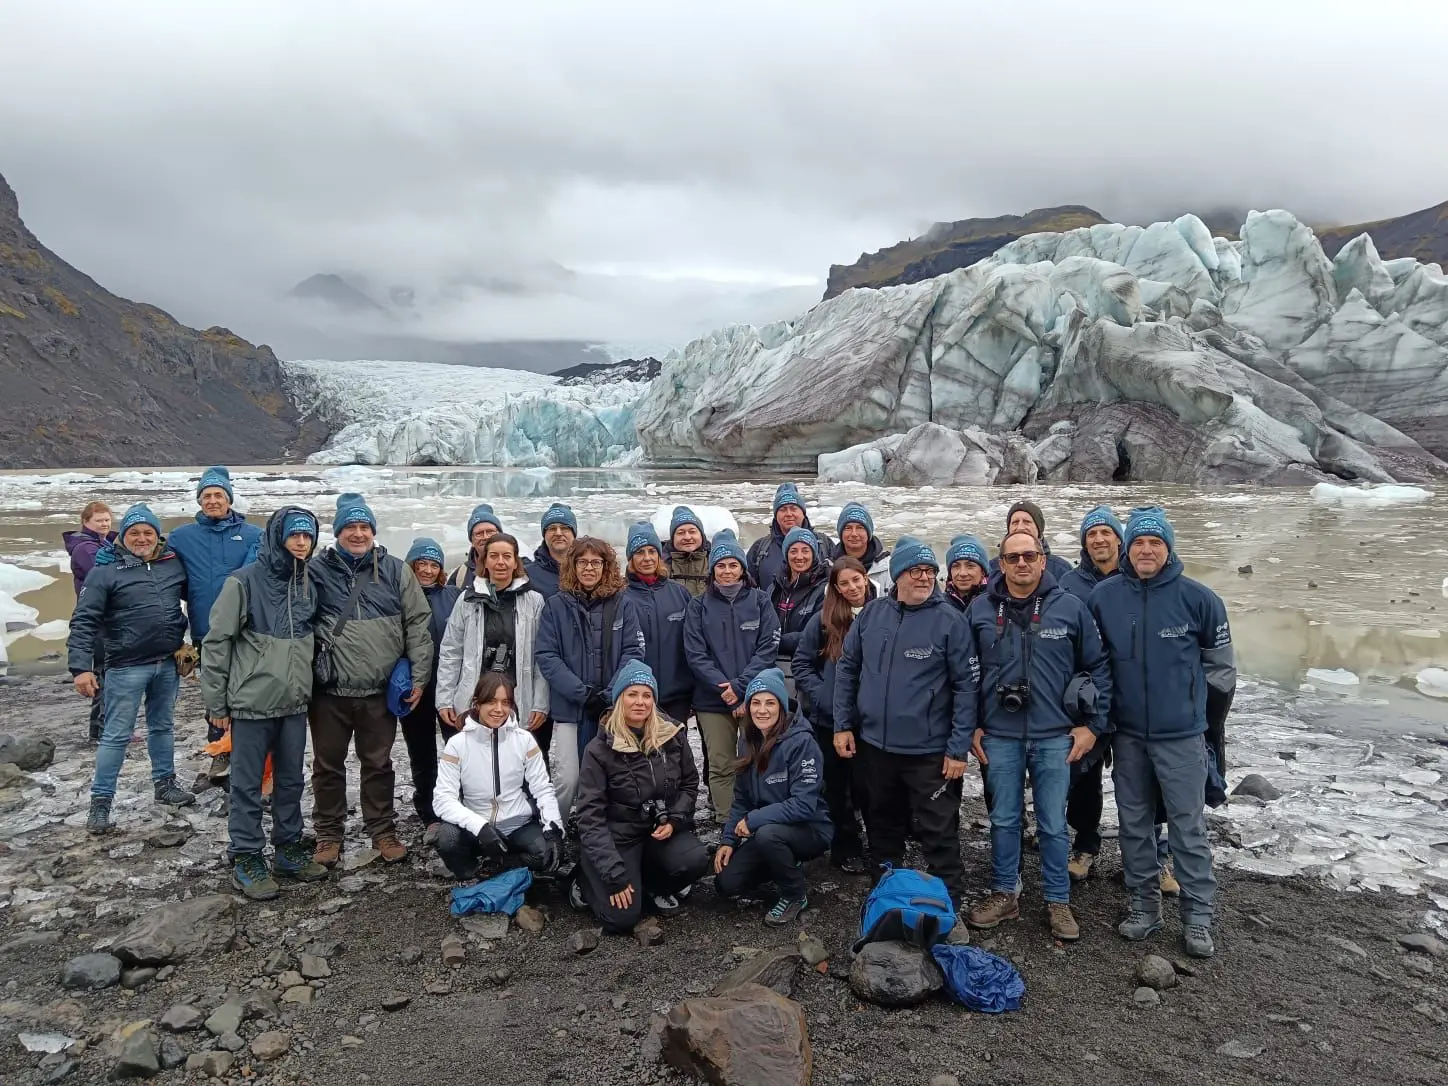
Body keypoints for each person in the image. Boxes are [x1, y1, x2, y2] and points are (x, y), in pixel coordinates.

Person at [1089, 506, 1236, 960]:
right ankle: (1143, 905)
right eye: (1138, 543)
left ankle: (1197, 917)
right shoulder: (1104, 598)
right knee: (1134, 825)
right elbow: (1095, 666)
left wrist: (1207, 727)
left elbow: (1222, 673)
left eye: (1155, 542)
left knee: (1188, 828)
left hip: (1182, 736)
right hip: (1129, 736)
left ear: (1168, 548)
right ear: (1126, 549)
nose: (1146, 550)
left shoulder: (1200, 599)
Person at [962, 531, 1113, 942]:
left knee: (1052, 823)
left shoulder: (1071, 608)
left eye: (1030, 555)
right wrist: (971, 725)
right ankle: (1004, 893)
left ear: (1043, 560)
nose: (1022, 563)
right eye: (1013, 558)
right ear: (1002, 564)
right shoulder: (979, 610)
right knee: (1004, 819)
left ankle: (1058, 901)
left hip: (1054, 735)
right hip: (999, 734)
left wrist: (1092, 725)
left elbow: (1098, 668)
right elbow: (963, 674)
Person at [833, 537, 975, 908]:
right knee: (881, 824)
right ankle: (886, 892)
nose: (925, 577)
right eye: (916, 570)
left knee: (938, 831)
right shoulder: (872, 615)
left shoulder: (951, 622)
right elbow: (848, 670)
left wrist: (957, 749)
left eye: (930, 571)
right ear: (898, 576)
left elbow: (966, 688)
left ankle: (949, 902)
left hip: (928, 752)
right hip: (875, 747)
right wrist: (843, 725)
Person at [200, 507, 329, 899]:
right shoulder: (243, 582)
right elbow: (217, 642)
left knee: (290, 780)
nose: (302, 543)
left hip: (293, 702)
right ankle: (246, 856)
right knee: (246, 785)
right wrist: (216, 703)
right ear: (278, 537)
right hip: (251, 702)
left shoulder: (307, 582)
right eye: (294, 536)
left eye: (307, 536)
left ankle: (288, 848)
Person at [308, 493, 434, 867]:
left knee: (378, 764)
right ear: (338, 532)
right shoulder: (317, 571)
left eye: (364, 527)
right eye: (351, 527)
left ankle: (382, 830)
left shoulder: (396, 570)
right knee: (327, 765)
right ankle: (328, 834)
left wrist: (419, 676)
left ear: (373, 532)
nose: (358, 533)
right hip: (329, 690)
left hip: (379, 692)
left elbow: (417, 624)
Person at [67, 503, 196, 834]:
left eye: (148, 532)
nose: (142, 538)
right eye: (135, 532)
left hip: (167, 663)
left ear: (157, 536)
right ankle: (100, 803)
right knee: (115, 736)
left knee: (163, 726)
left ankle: (164, 784)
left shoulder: (171, 564)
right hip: (125, 667)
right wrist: (81, 667)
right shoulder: (105, 571)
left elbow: (199, 596)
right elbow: (84, 621)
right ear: (123, 536)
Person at [573, 661, 710, 933]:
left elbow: (690, 785)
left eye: (647, 695)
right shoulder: (599, 749)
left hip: (659, 831)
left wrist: (674, 819)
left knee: (695, 859)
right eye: (632, 694)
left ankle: (649, 885)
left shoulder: (673, 735)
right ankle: (584, 878)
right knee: (620, 919)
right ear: (619, 699)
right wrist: (613, 875)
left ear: (654, 700)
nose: (640, 702)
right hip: (618, 836)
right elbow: (589, 817)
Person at [535, 536, 646, 821]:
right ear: (572, 566)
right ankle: (555, 826)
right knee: (568, 777)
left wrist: (611, 693)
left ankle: (600, 827)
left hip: (611, 707)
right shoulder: (555, 606)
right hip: (571, 708)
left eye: (596, 562)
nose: (589, 569)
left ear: (606, 566)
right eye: (582, 562)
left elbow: (633, 651)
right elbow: (547, 655)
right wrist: (582, 693)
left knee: (610, 774)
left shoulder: (623, 604)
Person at [714, 668, 833, 924]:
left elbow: (804, 805)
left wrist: (754, 820)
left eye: (770, 702)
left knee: (769, 835)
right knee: (727, 883)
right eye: (755, 703)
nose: (762, 710)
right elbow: (742, 798)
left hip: (809, 829)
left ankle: (794, 894)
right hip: (768, 829)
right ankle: (786, 864)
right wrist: (728, 840)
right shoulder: (747, 740)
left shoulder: (802, 742)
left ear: (781, 705)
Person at [169, 466, 263, 783]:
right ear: (199, 500)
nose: (212, 501)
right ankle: (218, 756)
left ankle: (251, 756)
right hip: (205, 629)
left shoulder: (253, 534)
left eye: (218, 495)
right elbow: (160, 568)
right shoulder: (182, 537)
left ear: (229, 499)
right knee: (215, 694)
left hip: (247, 630)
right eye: (206, 496)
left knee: (249, 692)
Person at [436, 532, 550, 781]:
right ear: (484, 561)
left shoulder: (534, 601)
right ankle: (474, 814)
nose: (501, 562)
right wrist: (444, 698)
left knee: (518, 760)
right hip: (477, 695)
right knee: (474, 761)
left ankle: (522, 814)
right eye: (494, 556)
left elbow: (542, 656)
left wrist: (541, 701)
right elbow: (451, 651)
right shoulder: (467, 601)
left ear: (515, 561)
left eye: (507, 556)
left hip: (518, 695)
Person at [683, 530, 780, 821]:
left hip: (755, 697)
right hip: (712, 700)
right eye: (721, 565)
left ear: (742, 568)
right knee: (721, 763)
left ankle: (759, 818)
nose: (727, 571)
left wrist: (740, 687)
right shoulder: (698, 605)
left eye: (732, 564)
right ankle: (727, 822)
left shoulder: (761, 601)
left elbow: (768, 648)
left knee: (759, 760)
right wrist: (725, 689)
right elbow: (695, 654)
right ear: (712, 570)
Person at [432, 673, 564, 880]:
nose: (499, 709)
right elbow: (442, 800)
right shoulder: (457, 744)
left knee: (547, 854)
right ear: (477, 703)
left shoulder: (524, 740)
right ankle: (471, 873)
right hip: (476, 829)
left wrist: (553, 828)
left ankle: (499, 867)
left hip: (517, 826)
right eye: (491, 702)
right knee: (447, 839)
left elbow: (542, 787)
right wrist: (480, 827)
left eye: (505, 702)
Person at [792, 556, 876, 874]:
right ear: (835, 588)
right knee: (837, 787)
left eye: (857, 579)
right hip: (829, 722)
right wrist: (824, 695)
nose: (853, 587)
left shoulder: (882, 613)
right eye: (845, 583)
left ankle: (879, 844)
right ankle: (846, 847)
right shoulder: (825, 620)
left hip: (870, 720)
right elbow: (801, 663)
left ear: (866, 578)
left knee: (869, 786)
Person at [1058, 505, 1124, 884]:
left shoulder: (1137, 577)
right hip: (1084, 696)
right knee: (1084, 775)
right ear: (1084, 543)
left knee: (1139, 779)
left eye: (1105, 532)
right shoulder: (1070, 582)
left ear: (1118, 538)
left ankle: (1151, 854)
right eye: (1092, 534)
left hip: (1131, 695)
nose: (1099, 539)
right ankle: (1086, 843)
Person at [397, 538, 462, 843]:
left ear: (441, 570)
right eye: (420, 564)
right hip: (414, 688)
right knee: (421, 752)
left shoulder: (455, 597)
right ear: (410, 566)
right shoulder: (397, 598)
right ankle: (430, 812)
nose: (426, 569)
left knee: (457, 749)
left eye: (433, 564)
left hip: (450, 687)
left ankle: (459, 805)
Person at [624, 522, 695, 724]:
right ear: (630, 558)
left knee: (673, 751)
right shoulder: (621, 596)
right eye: (639, 552)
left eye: (651, 551)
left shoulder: (679, 593)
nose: (647, 558)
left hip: (677, 695)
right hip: (637, 696)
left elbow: (692, 643)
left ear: (659, 555)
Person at [64, 501, 114, 741]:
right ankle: (104, 729)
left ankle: (98, 729)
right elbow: (105, 577)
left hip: (104, 617)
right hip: (99, 618)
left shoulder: (102, 543)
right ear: (86, 522)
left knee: (103, 671)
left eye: (107, 520)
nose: (104, 524)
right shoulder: (86, 549)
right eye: (99, 521)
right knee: (106, 672)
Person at [768, 526, 829, 691]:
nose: (799, 556)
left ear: (814, 554)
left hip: (811, 670)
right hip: (775, 670)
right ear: (786, 554)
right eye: (793, 551)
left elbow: (816, 635)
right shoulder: (775, 587)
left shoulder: (825, 589)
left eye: (805, 551)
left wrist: (775, 641)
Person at [746, 483, 833, 591]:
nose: (788, 514)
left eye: (793, 508)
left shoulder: (824, 544)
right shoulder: (760, 548)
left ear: (803, 513)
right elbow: (746, 590)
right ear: (776, 515)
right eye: (783, 509)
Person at [988, 500, 1072, 581]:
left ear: (1039, 529)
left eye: (1027, 522)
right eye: (1015, 522)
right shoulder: (992, 568)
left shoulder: (1060, 569)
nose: (1020, 527)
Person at [830, 501, 891, 592]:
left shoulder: (888, 566)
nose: (854, 534)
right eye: (848, 528)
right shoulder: (829, 566)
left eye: (860, 528)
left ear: (868, 532)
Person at [525, 502, 576, 599]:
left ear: (573, 533)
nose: (558, 533)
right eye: (552, 528)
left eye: (564, 528)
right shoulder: (528, 575)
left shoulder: (587, 569)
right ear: (544, 534)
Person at [448, 503, 503, 588]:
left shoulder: (521, 568)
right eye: (479, 534)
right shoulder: (460, 575)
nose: (485, 537)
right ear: (472, 542)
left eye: (490, 532)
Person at [662, 506, 711, 600]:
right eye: (681, 533)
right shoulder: (660, 564)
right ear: (672, 538)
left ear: (701, 535)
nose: (687, 537)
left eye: (692, 532)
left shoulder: (715, 562)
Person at [943, 534, 990, 613]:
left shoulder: (997, 602)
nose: (962, 573)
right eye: (956, 566)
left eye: (970, 566)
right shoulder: (940, 604)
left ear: (983, 572)